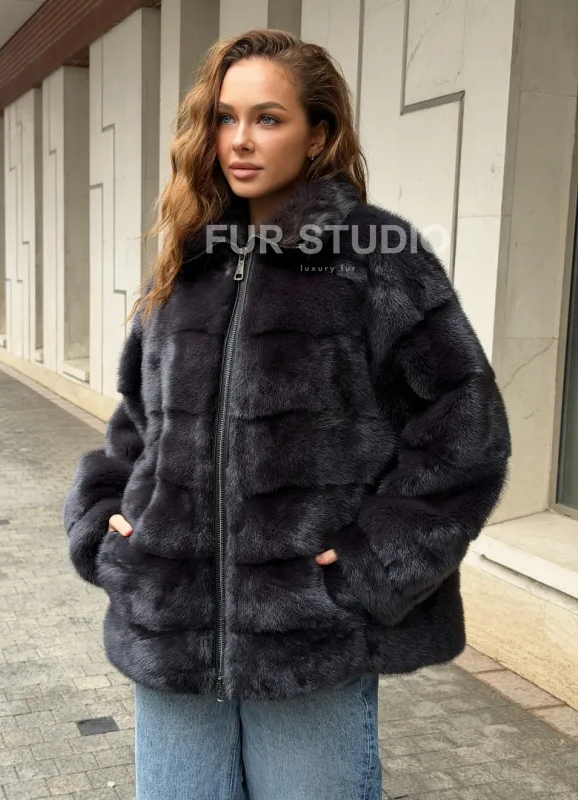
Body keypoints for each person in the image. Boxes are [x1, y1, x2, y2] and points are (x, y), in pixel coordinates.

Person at [63, 27, 512, 800]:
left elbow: (465, 427)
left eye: (268, 118)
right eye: (225, 118)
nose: (240, 140)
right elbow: (138, 420)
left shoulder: (375, 256)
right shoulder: (187, 264)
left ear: (318, 134)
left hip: (310, 635)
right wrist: (105, 516)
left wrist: (370, 564)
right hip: (169, 628)